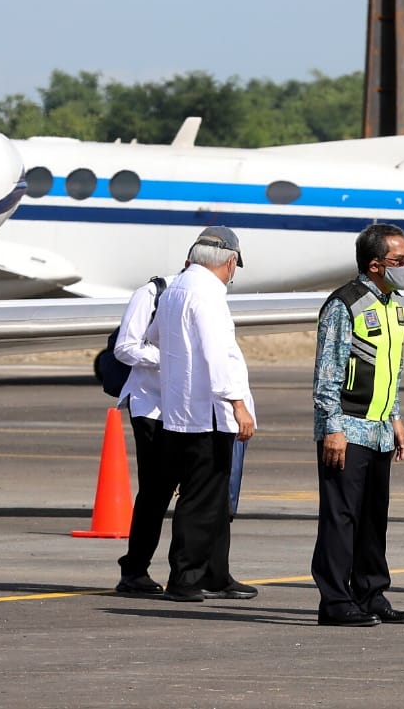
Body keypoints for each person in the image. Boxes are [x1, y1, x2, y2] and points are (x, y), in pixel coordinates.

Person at [145, 225, 257, 602]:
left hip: (178, 410)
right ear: (228, 262)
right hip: (208, 414)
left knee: (209, 498)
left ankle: (214, 573)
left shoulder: (176, 289)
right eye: (234, 265)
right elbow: (216, 354)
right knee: (202, 498)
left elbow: (156, 337)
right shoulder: (208, 295)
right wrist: (238, 403)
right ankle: (187, 577)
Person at [311, 223, 404, 627]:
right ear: (375, 265)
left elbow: (393, 369)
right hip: (347, 429)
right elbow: (327, 373)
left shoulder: (395, 304)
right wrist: (332, 427)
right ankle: (335, 600)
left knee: (373, 516)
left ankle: (371, 592)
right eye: (399, 261)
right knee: (341, 517)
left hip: (379, 429)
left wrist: (396, 416)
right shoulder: (344, 304)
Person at [112, 271, 175, 596]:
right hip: (150, 406)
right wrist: (171, 359)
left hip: (185, 409)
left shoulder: (207, 295)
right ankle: (134, 570)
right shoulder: (152, 293)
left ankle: (192, 571)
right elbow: (125, 348)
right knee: (155, 491)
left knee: (195, 490)